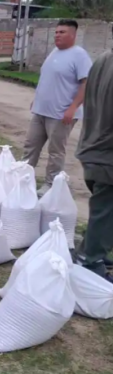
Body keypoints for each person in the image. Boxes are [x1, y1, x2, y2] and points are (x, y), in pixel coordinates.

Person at [23, 19, 93, 197]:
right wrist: (36, 99)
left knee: (55, 151)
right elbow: (48, 78)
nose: (57, 35)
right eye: (56, 32)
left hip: (61, 114)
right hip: (41, 110)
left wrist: (73, 107)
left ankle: (50, 184)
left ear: (73, 35)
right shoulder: (54, 52)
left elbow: (86, 83)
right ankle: (22, 178)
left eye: (62, 32)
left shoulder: (79, 55)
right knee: (30, 145)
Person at [74, 35, 113, 282]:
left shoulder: (103, 59)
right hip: (108, 154)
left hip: (92, 146)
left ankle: (90, 250)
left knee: (103, 210)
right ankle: (90, 261)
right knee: (106, 210)